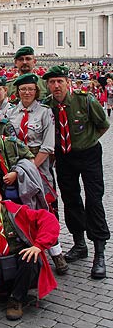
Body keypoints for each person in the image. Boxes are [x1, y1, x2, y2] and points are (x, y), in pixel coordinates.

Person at [42, 65, 110, 279]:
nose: (56, 86)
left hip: (88, 154)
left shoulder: (85, 100)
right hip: (64, 156)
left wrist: (86, 141)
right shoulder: (48, 106)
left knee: (94, 200)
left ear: (67, 82)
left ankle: (99, 251)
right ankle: (79, 243)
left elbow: (103, 125)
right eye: (52, 82)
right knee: (70, 199)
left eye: (59, 81)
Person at [6, 73, 68, 275]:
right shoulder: (12, 113)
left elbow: (48, 146)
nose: (26, 92)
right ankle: (29, 254)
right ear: (18, 92)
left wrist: (30, 168)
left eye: (30, 89)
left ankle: (56, 253)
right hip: (17, 167)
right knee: (23, 209)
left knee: (45, 208)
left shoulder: (44, 112)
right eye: (23, 89)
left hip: (39, 166)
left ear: (36, 91)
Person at [0, 181, 59, 321]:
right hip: (1, 261)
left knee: (29, 258)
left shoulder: (18, 211)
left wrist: (38, 245)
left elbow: (49, 219)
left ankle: (15, 300)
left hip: (22, 259)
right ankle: (12, 288)